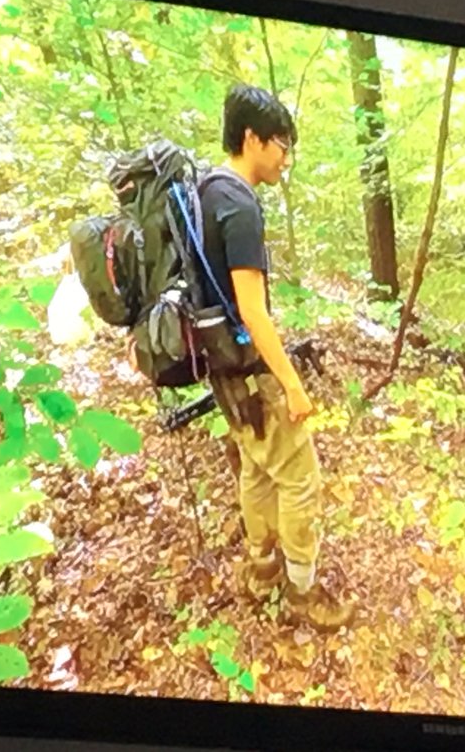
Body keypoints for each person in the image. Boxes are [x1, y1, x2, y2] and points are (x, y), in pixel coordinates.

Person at [200, 84, 354, 632]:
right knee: (298, 477)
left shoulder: (204, 190)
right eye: (280, 146)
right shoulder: (239, 205)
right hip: (249, 367)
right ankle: (303, 593)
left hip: (220, 370)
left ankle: (262, 569)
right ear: (251, 139)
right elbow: (253, 310)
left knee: (258, 469)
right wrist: (290, 382)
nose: (284, 159)